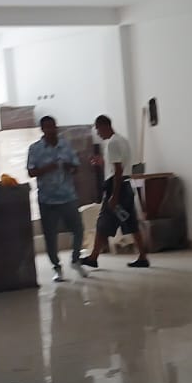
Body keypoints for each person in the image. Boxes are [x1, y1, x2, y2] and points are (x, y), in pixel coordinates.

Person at [80, 114, 149, 269]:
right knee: (131, 222)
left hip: (116, 187)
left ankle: (93, 257)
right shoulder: (122, 140)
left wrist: (114, 196)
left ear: (104, 126)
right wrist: (102, 163)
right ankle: (143, 256)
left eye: (98, 130)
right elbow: (118, 165)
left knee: (103, 222)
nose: (98, 134)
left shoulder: (112, 143)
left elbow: (118, 170)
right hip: (126, 185)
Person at [27, 116, 87, 282]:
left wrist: (69, 167)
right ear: (42, 129)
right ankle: (56, 267)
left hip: (68, 196)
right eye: (47, 127)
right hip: (47, 199)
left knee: (78, 229)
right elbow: (31, 172)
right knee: (50, 235)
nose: (51, 130)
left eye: (53, 126)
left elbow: (76, 167)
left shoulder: (65, 145)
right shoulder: (35, 149)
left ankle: (75, 260)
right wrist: (48, 168)